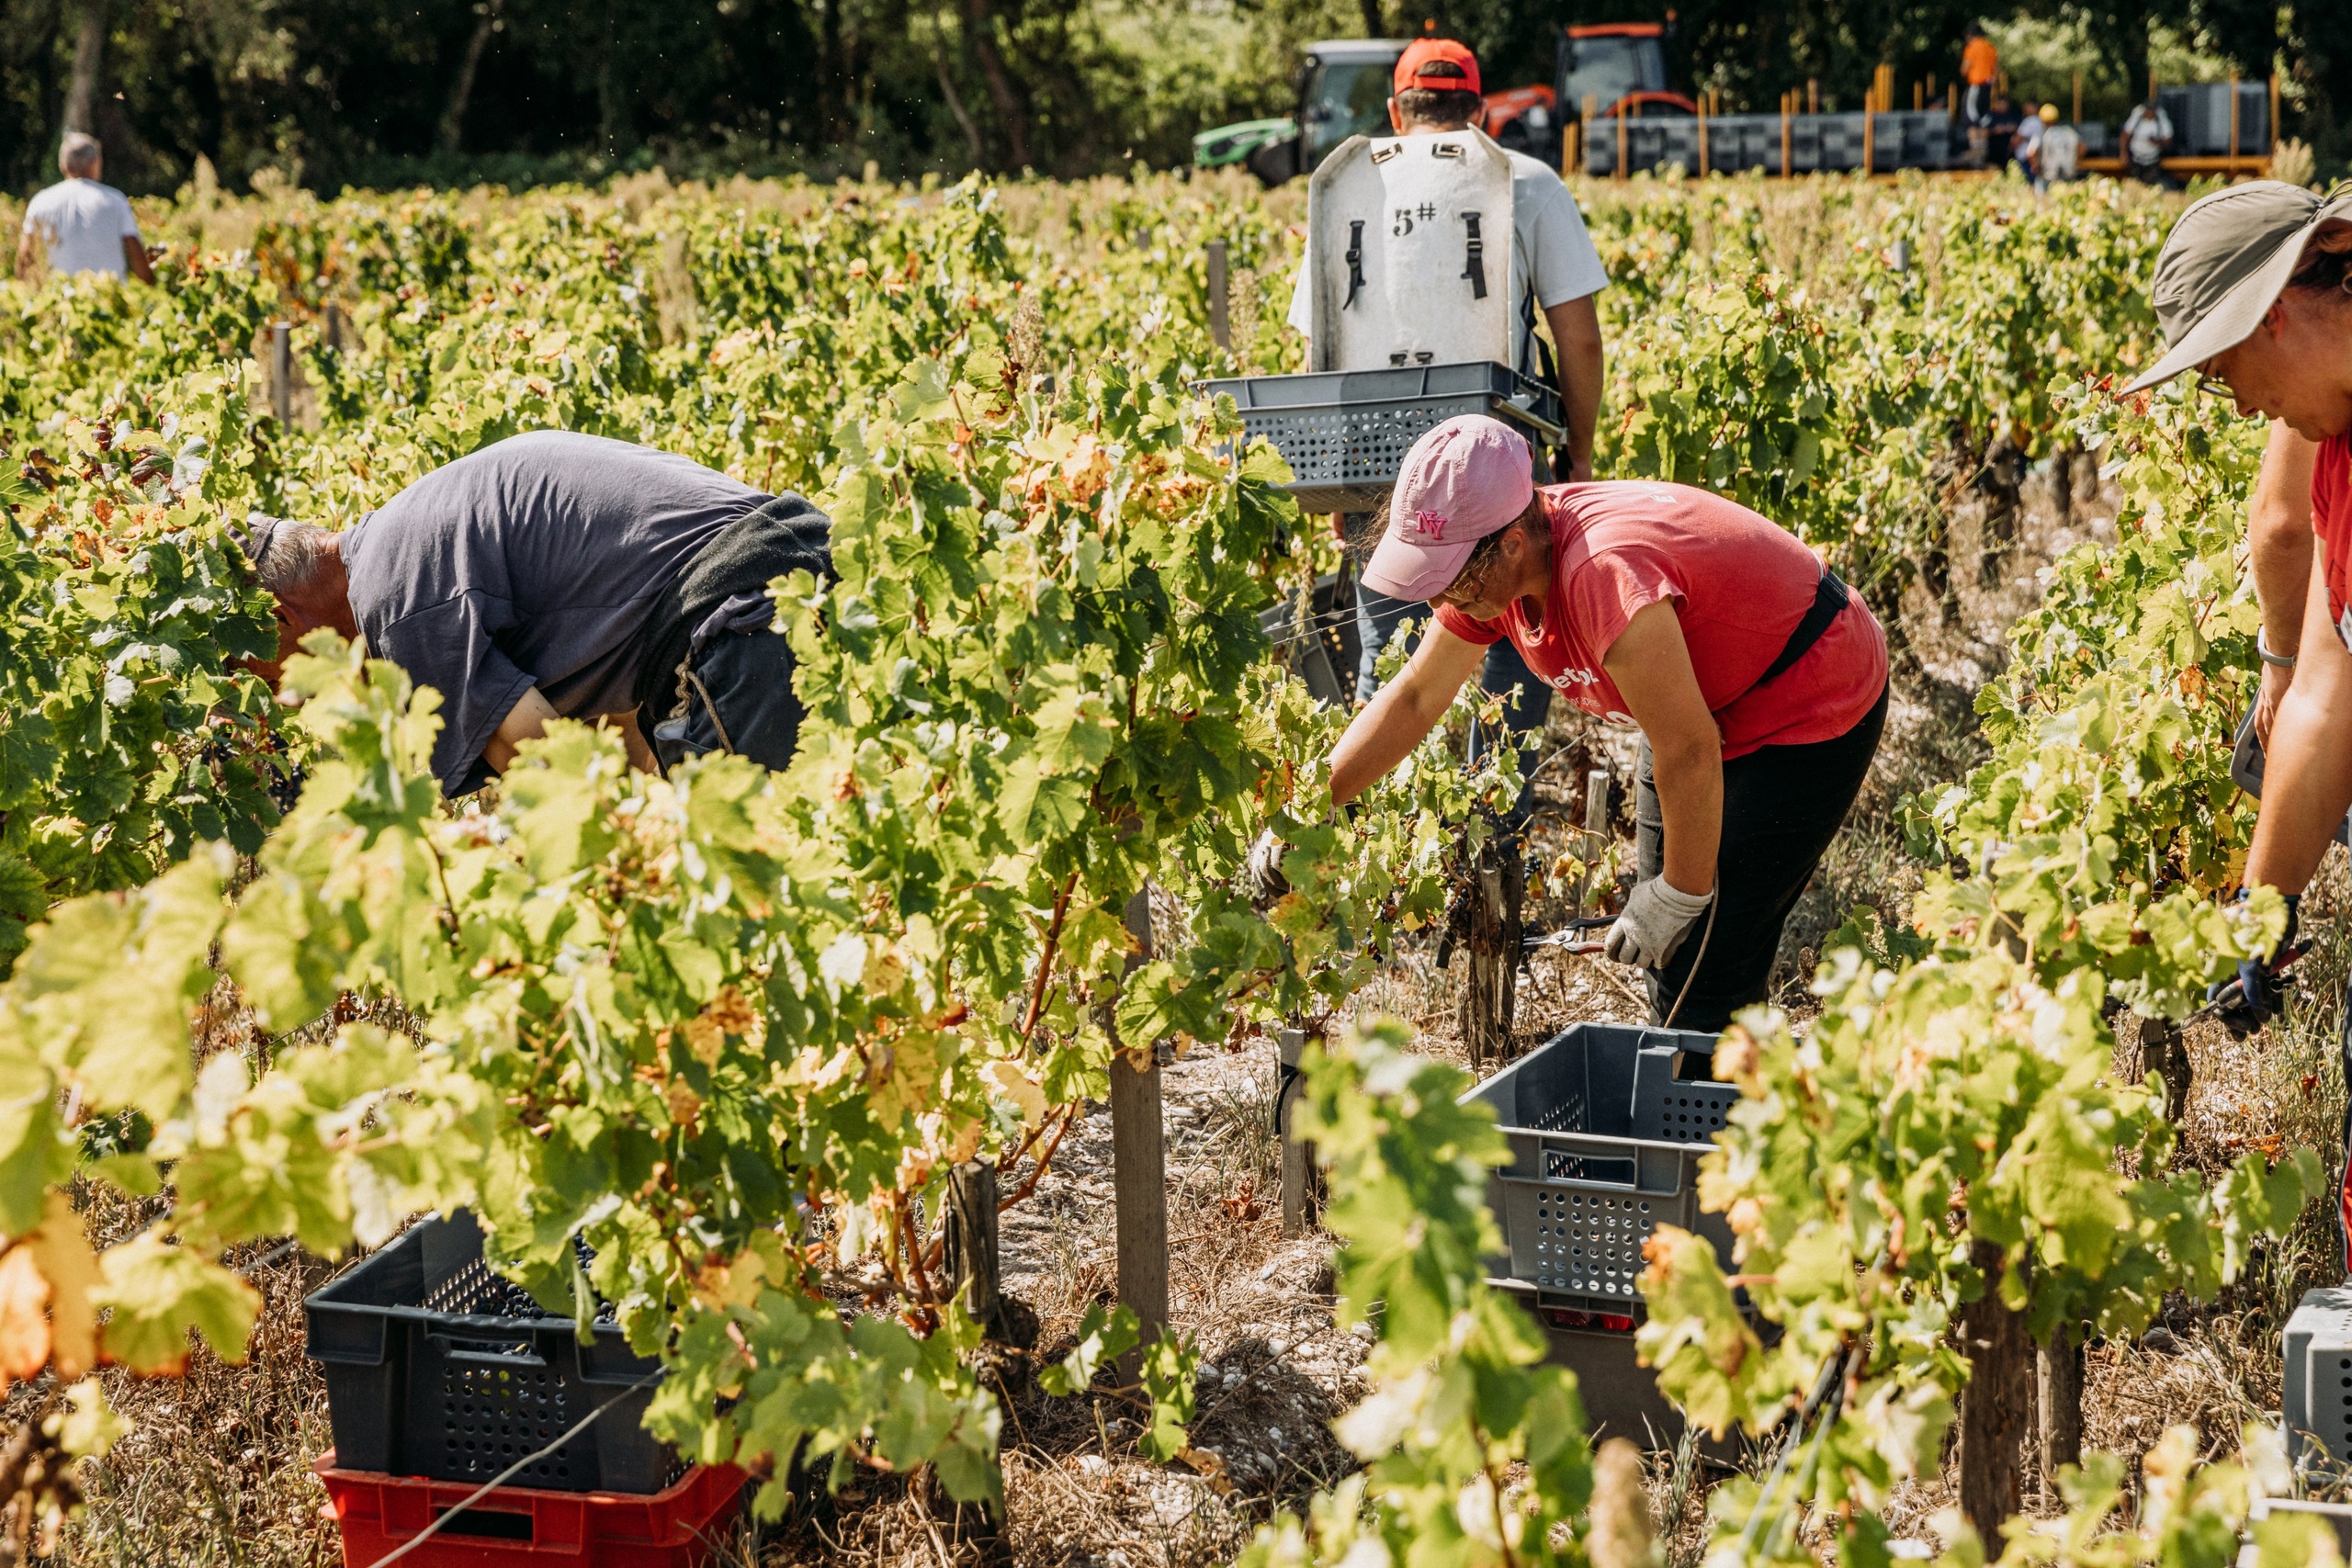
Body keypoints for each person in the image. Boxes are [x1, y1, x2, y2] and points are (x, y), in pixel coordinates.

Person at [1318, 414, 1889, 1033]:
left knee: (1707, 964)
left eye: (1449, 574)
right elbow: (1414, 697)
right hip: (1701, 705)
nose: (1437, 600)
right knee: (1675, 960)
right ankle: (1696, 1084)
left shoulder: (1601, 573)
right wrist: (1314, 804)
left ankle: (1721, 1109)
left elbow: (1689, 749)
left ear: (1511, 541)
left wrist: (1681, 894)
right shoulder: (1492, 581)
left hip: (1809, 689)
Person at [1287, 36, 1611, 807]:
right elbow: (1580, 337)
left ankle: (1382, 857)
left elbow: (1317, 348)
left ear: (1398, 112)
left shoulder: (1348, 190)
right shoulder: (1524, 182)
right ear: (1480, 110)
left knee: (1390, 666)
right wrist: (1580, 455)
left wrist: (1334, 484)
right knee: (1509, 665)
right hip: (1495, 470)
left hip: (1371, 462)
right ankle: (1487, 849)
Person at [2120, 181, 2352, 1243]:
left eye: (2223, 377)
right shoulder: (2338, 458)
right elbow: (2319, 690)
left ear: (2271, 314)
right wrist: (2265, 915)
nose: (2243, 408)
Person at [243, 430, 831, 796]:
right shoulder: (409, 537)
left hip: (737, 630)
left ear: (279, 618)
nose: (294, 697)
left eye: (271, 679)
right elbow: (614, 742)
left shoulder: (397, 603)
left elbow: (549, 773)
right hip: (805, 579)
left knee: (739, 937)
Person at [16, 131, 152, 284]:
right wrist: (149, 289)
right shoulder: (114, 201)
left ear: (62, 165)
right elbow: (135, 250)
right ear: (95, 163)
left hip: (60, 298)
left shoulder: (41, 202)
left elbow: (25, 258)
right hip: (110, 298)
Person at [1961, 25, 2000, 165]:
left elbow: (1965, 68)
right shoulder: (1991, 48)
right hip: (1988, 87)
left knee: (1970, 116)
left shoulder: (1973, 47)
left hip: (1976, 86)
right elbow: (1996, 70)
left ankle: (1975, 150)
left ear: (1970, 36)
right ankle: (1983, 149)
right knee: (1984, 117)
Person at [2123, 96, 2174, 185]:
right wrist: (2123, 154)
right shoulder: (2137, 114)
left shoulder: (2161, 117)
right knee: (2135, 185)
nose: (2149, 113)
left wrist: (2157, 142)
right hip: (2135, 160)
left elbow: (2168, 140)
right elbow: (2125, 136)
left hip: (2152, 161)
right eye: (2148, 110)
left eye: (2152, 110)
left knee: (2150, 186)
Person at [2034, 104, 2081, 188]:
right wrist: (2074, 161)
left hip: (2049, 175)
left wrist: (2036, 166)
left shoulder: (2043, 133)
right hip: (2069, 173)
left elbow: (2031, 152)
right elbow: (2082, 148)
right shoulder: (2069, 131)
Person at [2010, 98, 2044, 180]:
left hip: (2027, 158)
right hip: (2038, 157)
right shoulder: (2042, 121)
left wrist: (2010, 151)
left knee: (2027, 182)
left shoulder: (2030, 121)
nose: (2024, 109)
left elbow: (2018, 139)